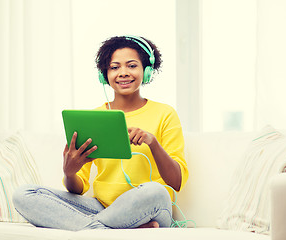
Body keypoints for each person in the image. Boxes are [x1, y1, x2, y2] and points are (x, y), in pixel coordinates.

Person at [13, 35, 188, 231]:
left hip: (151, 206)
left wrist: (153, 142)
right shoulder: (94, 117)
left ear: (147, 71)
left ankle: (93, 227)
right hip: (102, 208)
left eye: (131, 66)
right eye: (114, 67)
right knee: (24, 194)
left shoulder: (165, 114)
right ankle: (106, 230)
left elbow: (176, 181)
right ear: (104, 75)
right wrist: (69, 172)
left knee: (154, 191)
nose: (123, 73)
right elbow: (77, 189)